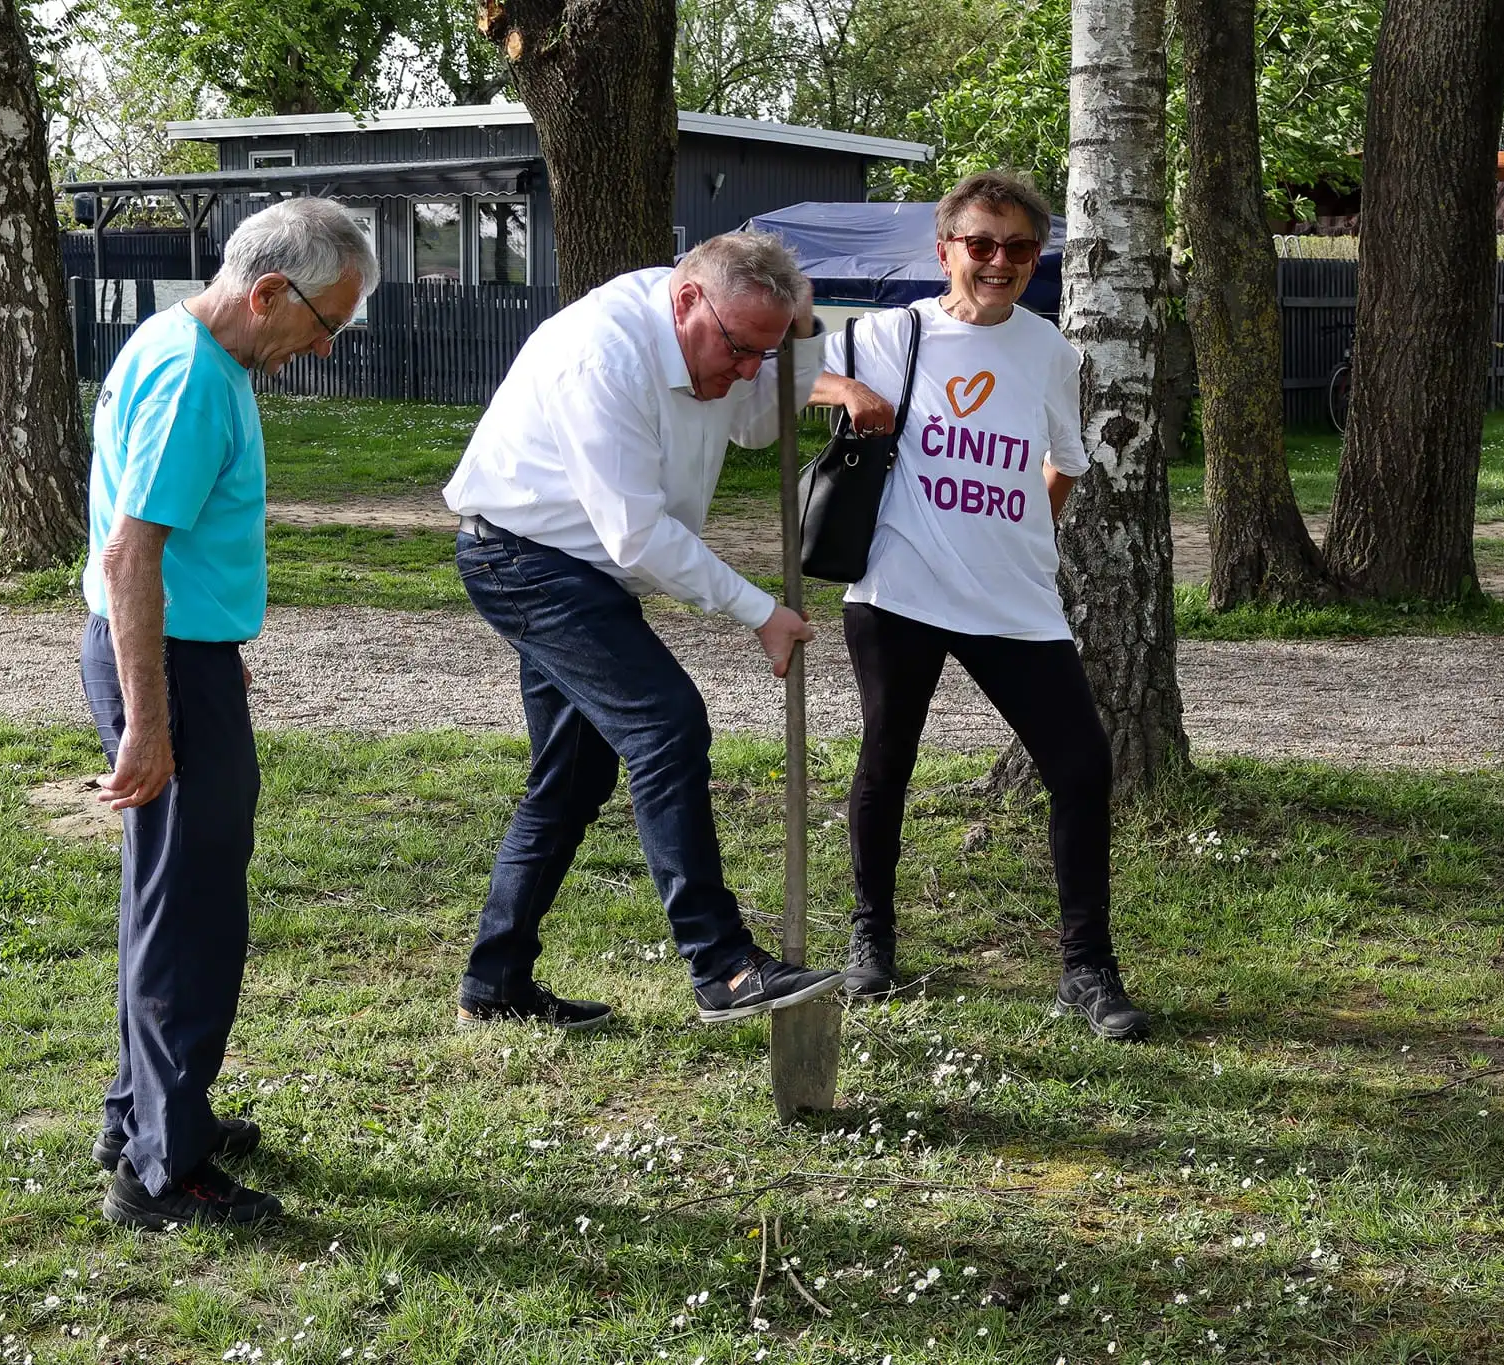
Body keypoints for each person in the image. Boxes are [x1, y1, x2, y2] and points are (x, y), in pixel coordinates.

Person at [443, 231, 844, 1031]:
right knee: (666, 725)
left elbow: (758, 424)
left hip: (579, 569)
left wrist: (804, 338)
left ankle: (495, 983)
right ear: (689, 299)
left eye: (762, 354)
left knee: (571, 781)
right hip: (525, 560)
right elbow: (636, 536)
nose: (744, 372)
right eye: (738, 350)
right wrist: (760, 612)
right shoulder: (603, 354)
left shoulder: (723, 332)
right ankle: (721, 965)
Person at [81, 196, 378, 1229]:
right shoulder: (198, 379)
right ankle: (164, 1171)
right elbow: (131, 555)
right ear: (266, 292)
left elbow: (166, 552)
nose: (321, 346)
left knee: (169, 902)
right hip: (160, 660)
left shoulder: (175, 341)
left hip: (180, 651)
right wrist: (152, 717)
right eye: (323, 322)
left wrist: (207, 653)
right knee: (193, 920)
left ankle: (146, 1117)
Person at [809, 170, 1149, 1041]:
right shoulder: (888, 334)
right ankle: (871, 938)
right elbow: (787, 369)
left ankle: (1087, 968)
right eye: (981, 245)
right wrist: (851, 393)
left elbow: (1065, 460)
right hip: (899, 590)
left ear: (1039, 258)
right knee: (887, 762)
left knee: (1080, 767)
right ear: (945, 250)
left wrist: (1016, 531)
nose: (1000, 263)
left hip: (1015, 600)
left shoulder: (1050, 351)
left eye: (1020, 248)